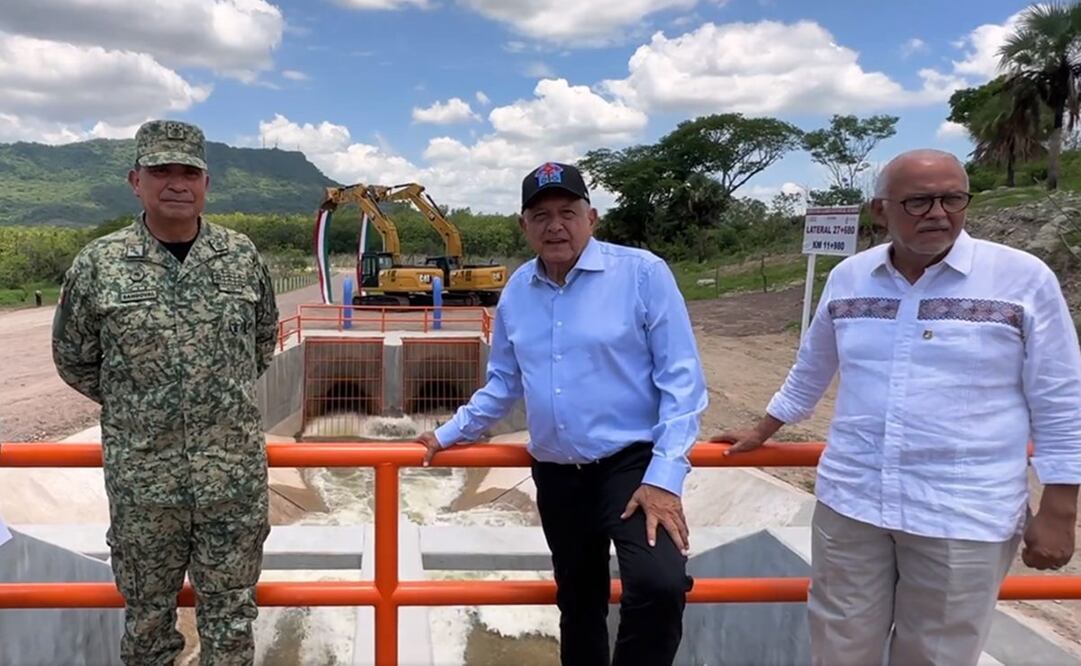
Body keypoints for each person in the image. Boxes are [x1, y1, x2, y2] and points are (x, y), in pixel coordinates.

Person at [712, 149, 1081, 665]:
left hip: (962, 511)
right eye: (918, 201)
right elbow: (812, 368)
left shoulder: (1022, 279)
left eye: (953, 198)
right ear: (880, 210)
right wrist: (763, 428)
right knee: (839, 647)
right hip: (853, 502)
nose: (938, 213)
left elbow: (1061, 395)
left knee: (936, 656)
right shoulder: (849, 278)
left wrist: (1061, 508)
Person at [417, 161, 708, 665]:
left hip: (632, 465)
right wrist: (447, 434)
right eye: (542, 215)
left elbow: (683, 382)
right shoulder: (516, 293)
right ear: (524, 225)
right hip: (556, 475)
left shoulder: (642, 274)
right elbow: (504, 384)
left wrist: (666, 475)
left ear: (591, 218)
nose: (556, 226)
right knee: (578, 602)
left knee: (659, 584)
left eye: (568, 213)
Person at [52, 120, 279, 665]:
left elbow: (262, 343)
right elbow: (74, 358)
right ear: (136, 180)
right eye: (161, 170)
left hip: (232, 483)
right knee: (148, 622)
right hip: (143, 488)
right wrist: (141, 405)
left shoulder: (240, 257)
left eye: (189, 172)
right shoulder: (99, 264)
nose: (176, 182)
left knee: (230, 621)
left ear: (206, 183)